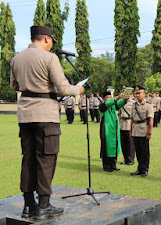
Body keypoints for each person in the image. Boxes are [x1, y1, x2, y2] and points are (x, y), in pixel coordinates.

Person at [10, 25, 84, 219]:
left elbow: (14, 86)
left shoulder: (16, 58)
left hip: (25, 115)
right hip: (45, 115)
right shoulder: (50, 58)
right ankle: (43, 206)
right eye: (51, 41)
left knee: (28, 159)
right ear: (45, 39)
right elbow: (63, 88)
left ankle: (28, 205)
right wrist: (78, 90)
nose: (51, 45)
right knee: (46, 159)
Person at [99, 91, 128, 172]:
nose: (110, 99)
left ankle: (113, 165)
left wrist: (125, 99)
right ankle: (106, 166)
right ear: (104, 99)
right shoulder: (102, 106)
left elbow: (120, 104)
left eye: (110, 97)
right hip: (106, 129)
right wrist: (117, 97)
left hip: (114, 130)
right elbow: (107, 104)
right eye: (108, 97)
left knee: (114, 146)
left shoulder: (113, 106)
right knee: (106, 147)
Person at [130, 86, 154, 177]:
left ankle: (145, 169)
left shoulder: (148, 105)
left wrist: (149, 132)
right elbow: (132, 119)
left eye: (139, 93)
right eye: (136, 93)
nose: (137, 95)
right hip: (136, 129)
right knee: (138, 151)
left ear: (144, 94)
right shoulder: (134, 105)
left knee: (144, 151)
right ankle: (139, 168)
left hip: (144, 129)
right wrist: (131, 131)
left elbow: (151, 120)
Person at [118, 93, 136, 166]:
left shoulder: (133, 103)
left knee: (130, 143)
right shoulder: (121, 102)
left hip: (129, 123)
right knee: (123, 143)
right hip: (122, 124)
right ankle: (125, 158)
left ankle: (131, 159)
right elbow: (119, 114)